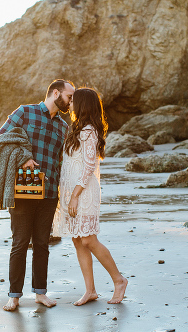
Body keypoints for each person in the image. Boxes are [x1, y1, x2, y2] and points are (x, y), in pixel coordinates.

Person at [0, 79, 74, 311]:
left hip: (50, 193)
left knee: (42, 244)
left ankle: (40, 293)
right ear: (56, 93)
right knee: (20, 243)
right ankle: (14, 296)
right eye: (69, 97)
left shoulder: (63, 126)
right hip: (23, 190)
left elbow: (62, 161)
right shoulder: (25, 113)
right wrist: (23, 158)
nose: (71, 102)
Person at [52, 88, 128, 305]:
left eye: (73, 100)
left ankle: (119, 279)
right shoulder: (75, 129)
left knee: (88, 239)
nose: (70, 103)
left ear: (83, 104)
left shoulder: (89, 131)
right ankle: (90, 290)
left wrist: (75, 195)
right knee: (77, 240)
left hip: (83, 192)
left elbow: (88, 166)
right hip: (70, 191)